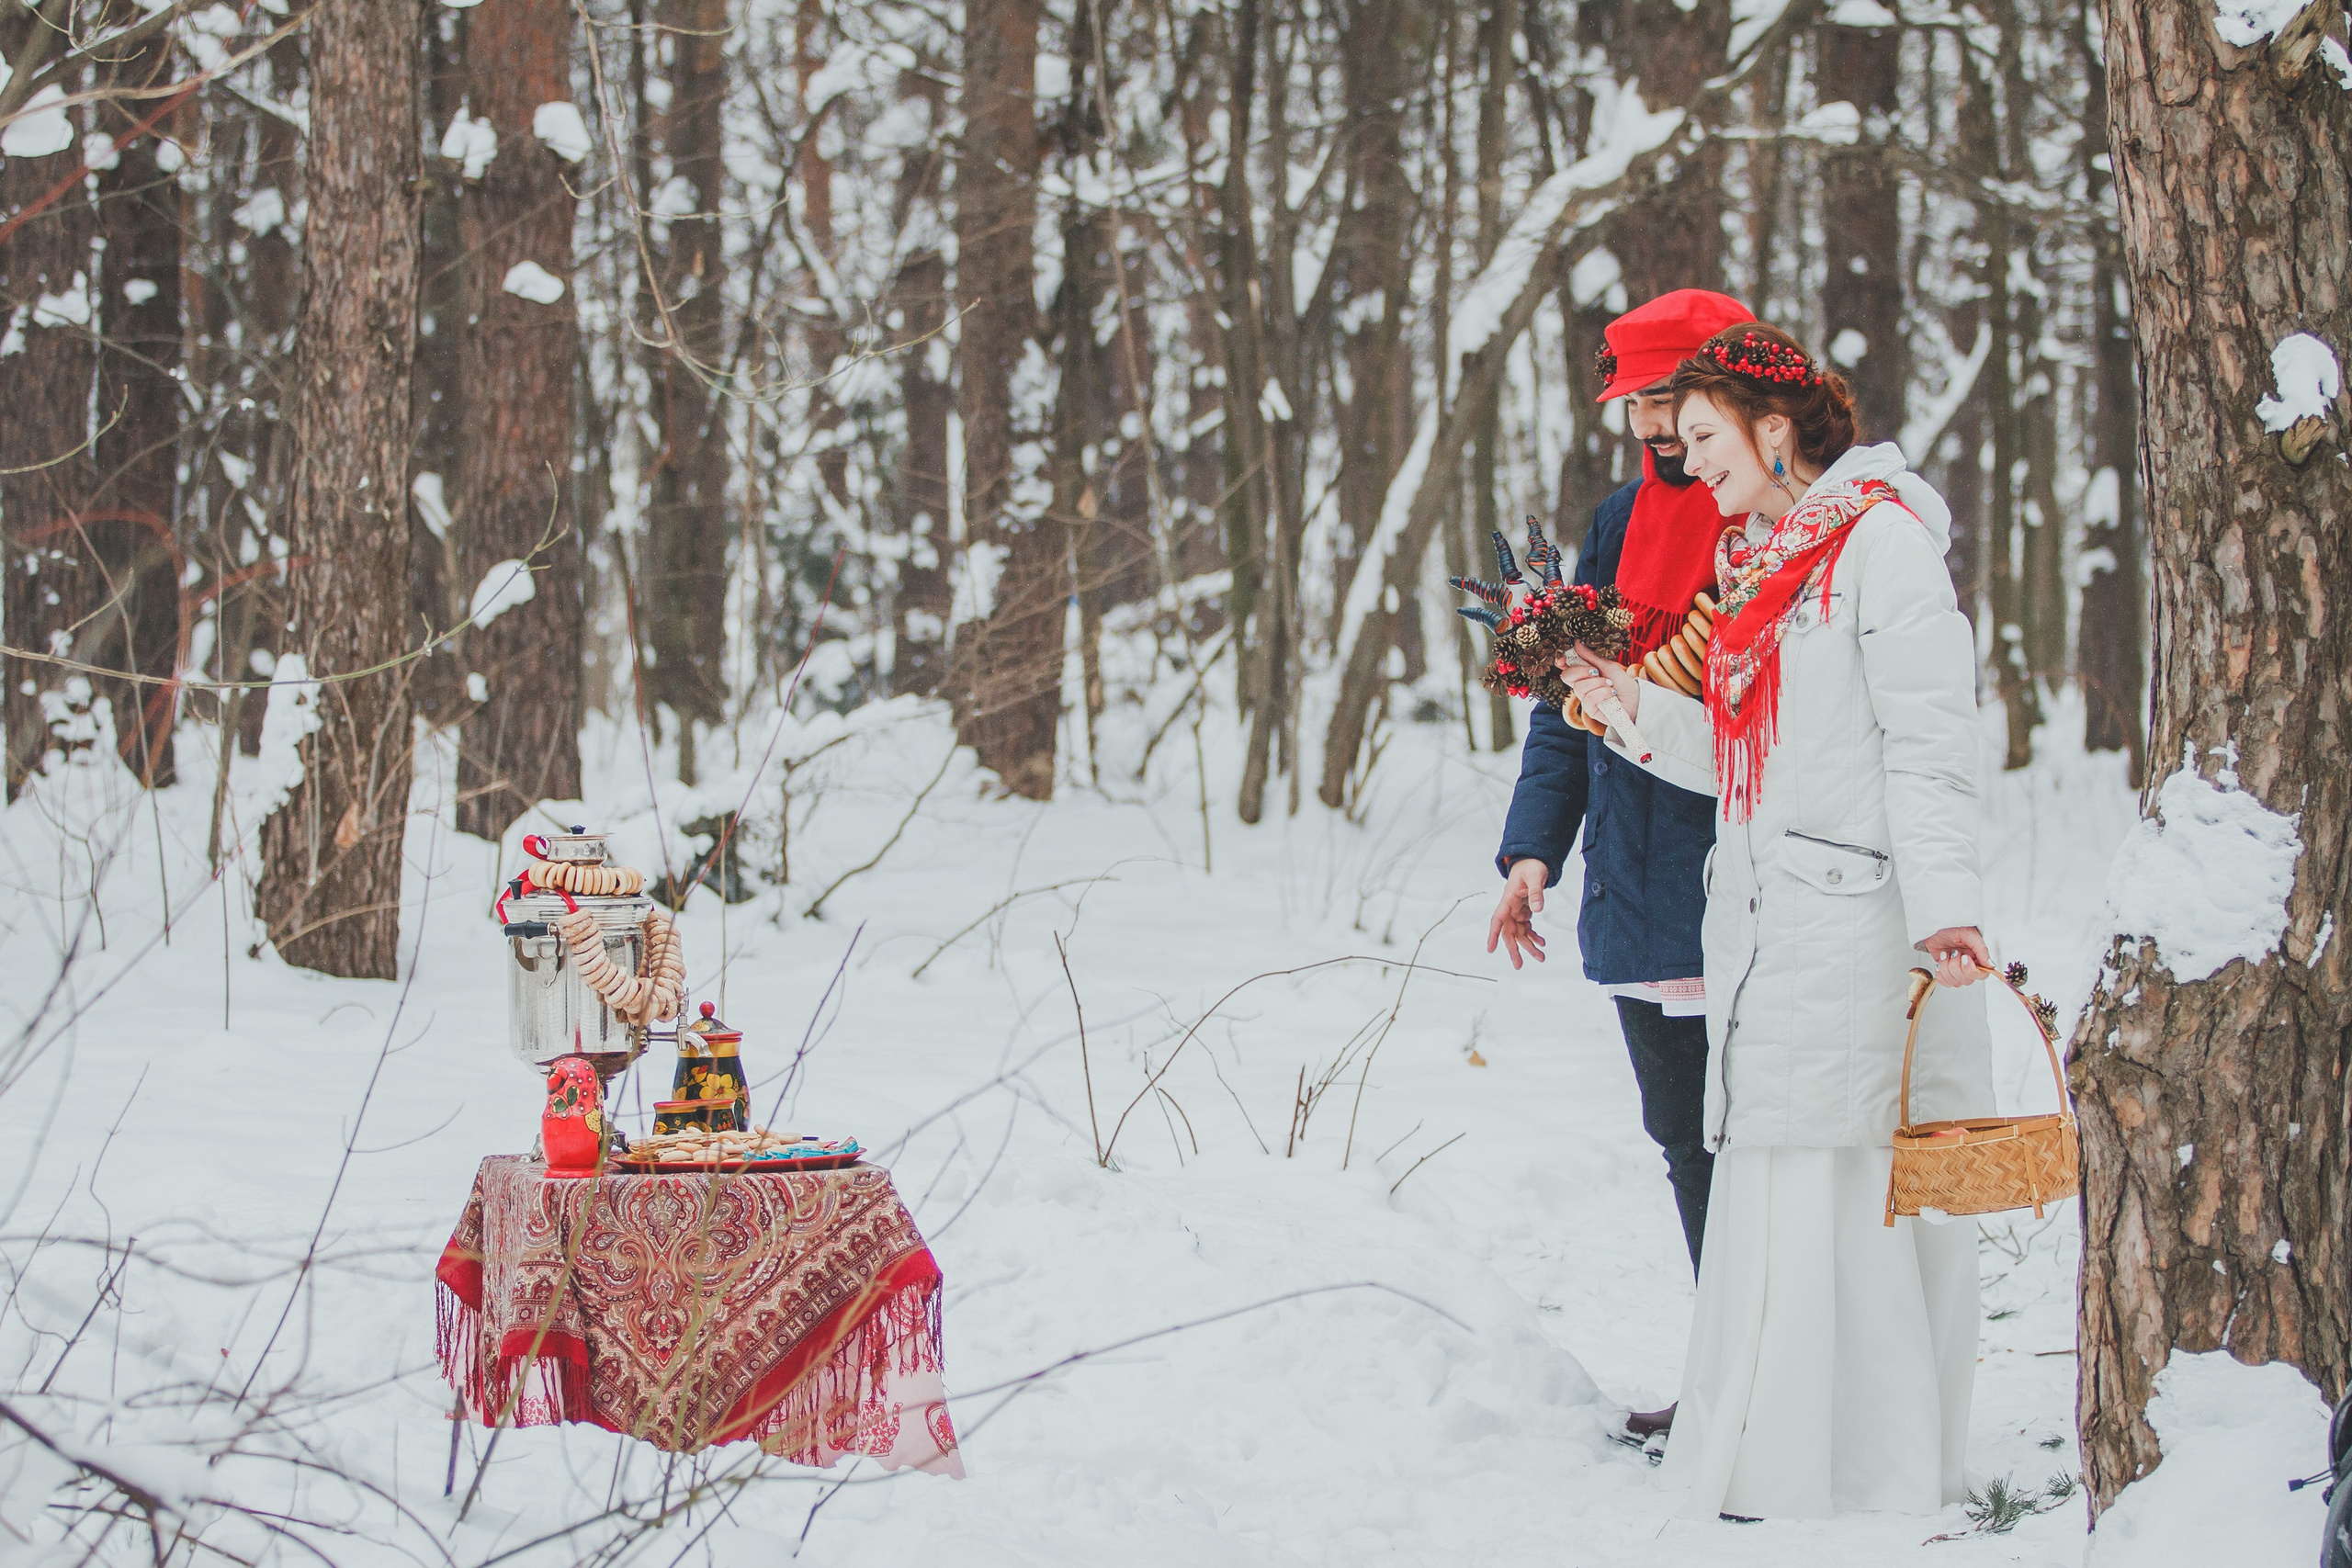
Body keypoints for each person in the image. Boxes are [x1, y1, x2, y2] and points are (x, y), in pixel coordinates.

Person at [1561, 321, 1995, 1521]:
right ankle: (1772, 1449)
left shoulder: (1884, 543)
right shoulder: (1772, 562)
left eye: (1702, 437)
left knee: (1844, 1185)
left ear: (1771, 427)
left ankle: (1864, 1462)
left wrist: (1949, 907)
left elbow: (1930, 742)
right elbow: (1749, 756)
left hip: (1860, 920)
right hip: (1768, 921)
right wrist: (1614, 701)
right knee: (1775, 1179)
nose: (1688, 463)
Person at [1486, 288, 1753, 1444]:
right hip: (1635, 886)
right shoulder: (1613, 522)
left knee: (1757, 1140)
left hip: (1735, 872)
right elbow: (1565, 703)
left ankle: (1774, 1379)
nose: (1652, 425)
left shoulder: (1766, 524)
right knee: (1682, 1136)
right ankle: (1731, 1372)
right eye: (1637, 403)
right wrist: (1534, 850)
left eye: (1668, 399)